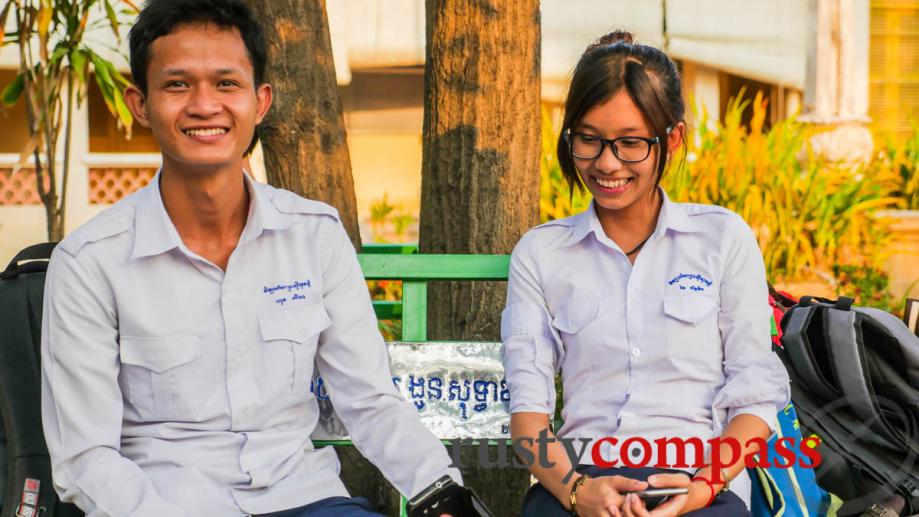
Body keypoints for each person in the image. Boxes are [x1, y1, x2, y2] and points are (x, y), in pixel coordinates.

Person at [39, 1, 461, 515]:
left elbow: (370, 402)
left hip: (303, 496)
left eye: (226, 83)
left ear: (259, 102)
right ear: (140, 103)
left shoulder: (314, 236)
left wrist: (441, 491)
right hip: (166, 504)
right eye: (177, 85)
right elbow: (86, 458)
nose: (203, 105)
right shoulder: (90, 262)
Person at [501, 31, 791, 517]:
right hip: (584, 481)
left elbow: (754, 399)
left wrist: (701, 488)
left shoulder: (721, 239)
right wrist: (575, 491)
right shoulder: (542, 253)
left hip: (700, 481)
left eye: (631, 143)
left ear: (671, 138)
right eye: (588, 140)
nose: (607, 163)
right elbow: (527, 418)